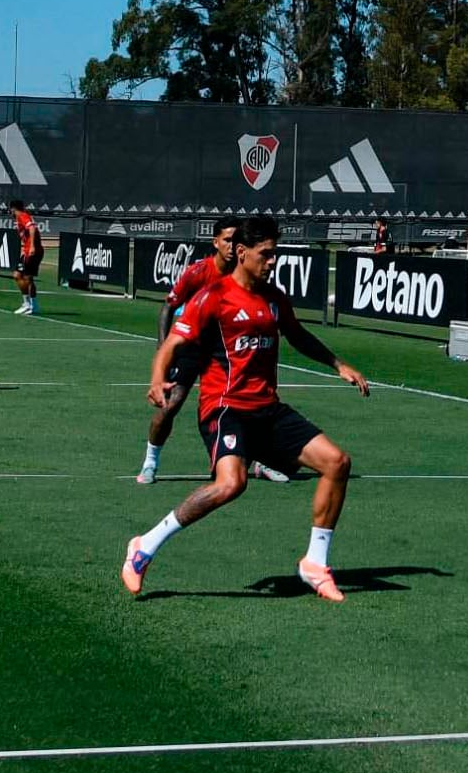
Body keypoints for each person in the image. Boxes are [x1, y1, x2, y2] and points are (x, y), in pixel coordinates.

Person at [121, 214, 369, 601]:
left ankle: (315, 564)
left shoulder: (274, 298)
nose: (272, 262)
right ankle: (145, 546)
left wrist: (339, 365)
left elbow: (298, 335)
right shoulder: (213, 296)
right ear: (241, 252)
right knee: (231, 484)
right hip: (225, 408)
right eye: (266, 254)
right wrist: (157, 380)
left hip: (268, 410)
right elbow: (171, 343)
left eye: (276, 254)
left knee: (337, 462)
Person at [139, 219, 235, 484]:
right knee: (171, 405)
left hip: (224, 351)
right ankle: (150, 462)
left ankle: (259, 461)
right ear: (215, 242)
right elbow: (168, 306)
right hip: (190, 348)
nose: (232, 246)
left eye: (236, 240)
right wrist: (163, 350)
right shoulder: (198, 272)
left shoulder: (243, 272)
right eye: (227, 240)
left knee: (246, 405)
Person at [8, 199, 42, 315]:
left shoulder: (22, 216)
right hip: (26, 251)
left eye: (10, 209)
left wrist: (32, 246)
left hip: (33, 252)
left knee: (27, 278)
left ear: (13, 209)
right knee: (19, 276)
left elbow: (32, 228)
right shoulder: (19, 219)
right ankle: (29, 304)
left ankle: (31, 304)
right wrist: (24, 248)